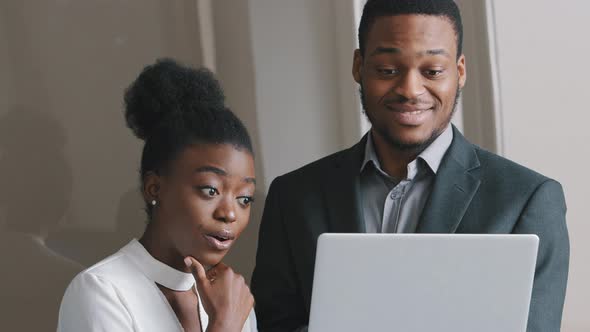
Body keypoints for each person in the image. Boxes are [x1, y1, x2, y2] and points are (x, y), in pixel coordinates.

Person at [250, 1, 569, 332]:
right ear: (359, 66)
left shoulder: (527, 200)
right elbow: (276, 325)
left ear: (459, 72)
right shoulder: (293, 197)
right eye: (388, 70)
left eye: (432, 71)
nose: (410, 90)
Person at [58, 59, 258, 332]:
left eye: (244, 198)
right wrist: (224, 326)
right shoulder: (102, 292)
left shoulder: (231, 298)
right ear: (154, 188)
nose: (230, 213)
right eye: (210, 190)